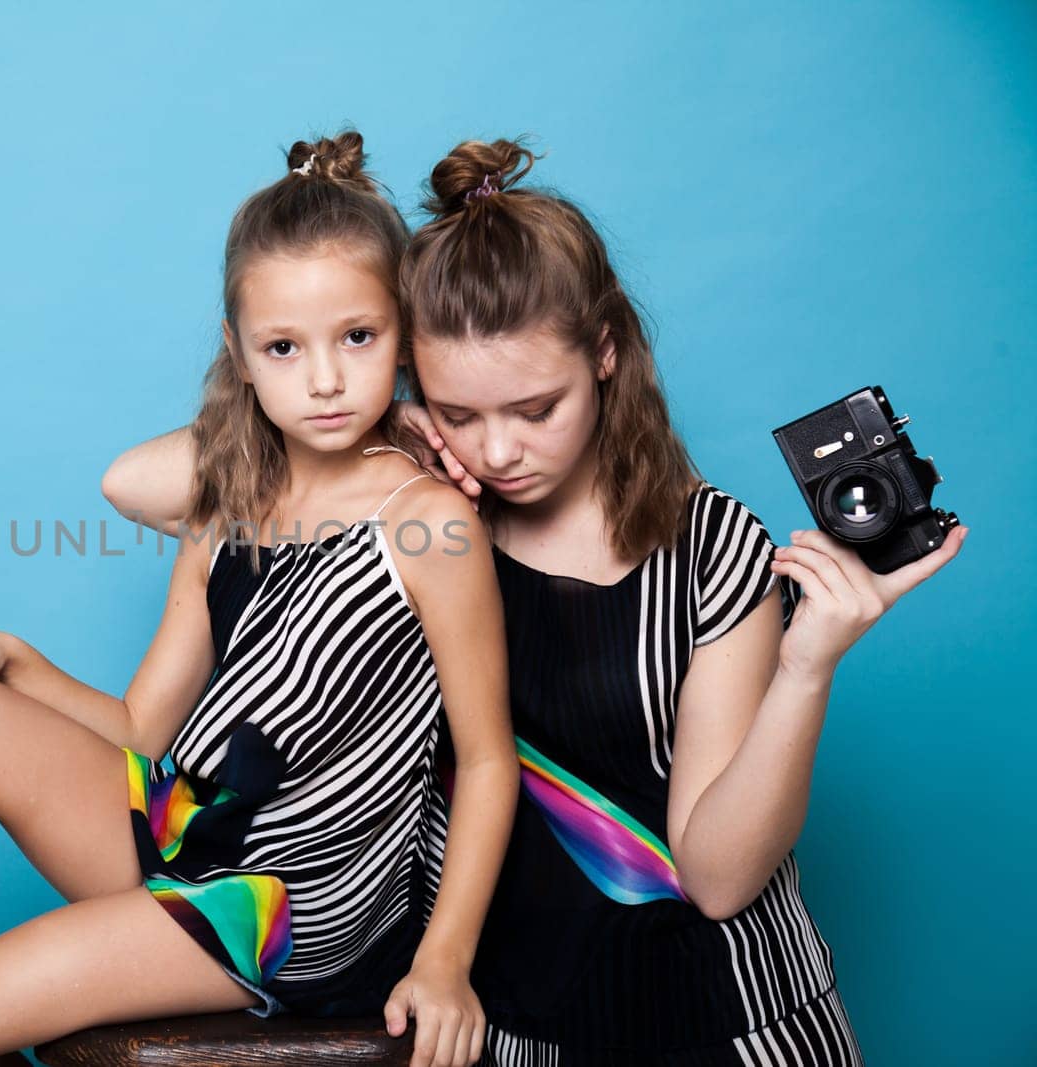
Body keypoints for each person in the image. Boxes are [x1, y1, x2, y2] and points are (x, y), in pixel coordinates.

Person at [101, 136, 966, 1066]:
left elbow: (715, 879)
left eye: (534, 408)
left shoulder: (712, 551)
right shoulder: (424, 526)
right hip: (510, 1031)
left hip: (730, 1024)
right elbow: (139, 485)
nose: (501, 450)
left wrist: (805, 669)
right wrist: (375, 426)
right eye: (462, 412)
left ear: (603, 351)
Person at [0, 132, 516, 1067]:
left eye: (357, 338)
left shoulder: (429, 521)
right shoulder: (228, 508)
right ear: (239, 357)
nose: (325, 380)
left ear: (403, 335)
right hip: (189, 826)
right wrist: (11, 657)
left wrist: (444, 962)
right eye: (284, 347)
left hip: (289, 900)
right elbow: (137, 730)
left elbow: (488, 760)